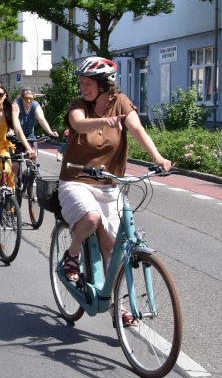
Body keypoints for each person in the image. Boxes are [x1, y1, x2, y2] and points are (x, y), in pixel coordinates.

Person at [57, 57, 172, 326]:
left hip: (108, 183)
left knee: (112, 246)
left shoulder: (121, 102)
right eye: (82, 83)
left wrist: (158, 157)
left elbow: (137, 128)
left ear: (102, 84)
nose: (83, 87)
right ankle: (71, 256)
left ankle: (116, 308)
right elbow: (78, 124)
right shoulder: (79, 106)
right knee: (91, 219)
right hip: (76, 180)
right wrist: (103, 123)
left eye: (88, 83)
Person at [13, 87, 60, 179]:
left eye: (31, 98)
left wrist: (50, 132)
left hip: (30, 135)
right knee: (15, 165)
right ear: (21, 98)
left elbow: (41, 119)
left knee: (32, 160)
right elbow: (16, 124)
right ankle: (14, 186)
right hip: (17, 135)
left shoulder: (35, 105)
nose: (29, 101)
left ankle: (29, 177)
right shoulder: (16, 105)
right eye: (26, 98)